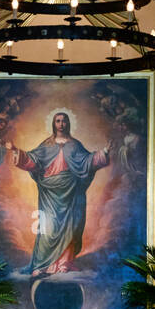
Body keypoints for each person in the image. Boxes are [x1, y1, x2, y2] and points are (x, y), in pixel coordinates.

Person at [10, 110, 111, 276]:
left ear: (68, 123)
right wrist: (15, 150)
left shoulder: (75, 145)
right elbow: (34, 161)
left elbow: (87, 162)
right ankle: (41, 265)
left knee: (70, 228)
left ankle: (64, 263)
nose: (61, 124)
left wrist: (104, 152)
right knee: (47, 229)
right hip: (50, 193)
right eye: (58, 121)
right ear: (54, 124)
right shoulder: (47, 145)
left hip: (71, 191)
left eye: (64, 121)